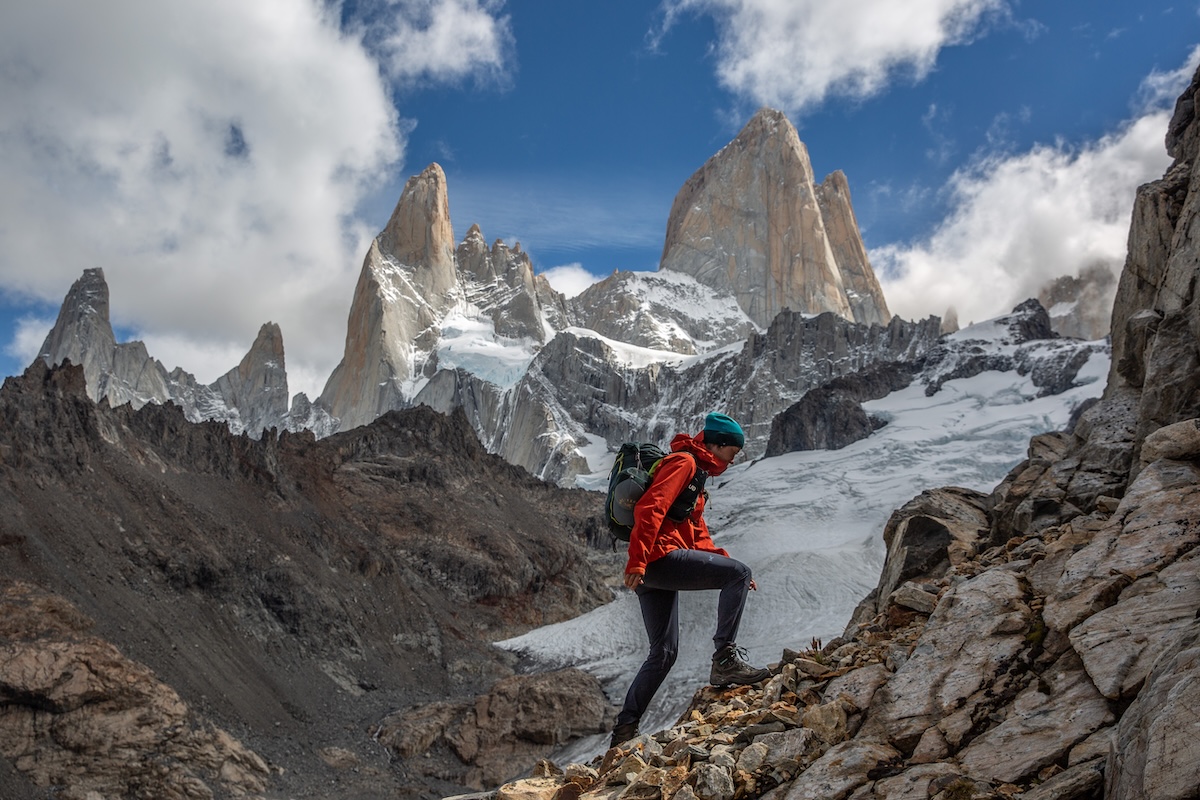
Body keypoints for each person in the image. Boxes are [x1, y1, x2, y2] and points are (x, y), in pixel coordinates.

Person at [610, 412, 769, 749]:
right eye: (734, 450)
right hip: (657, 559)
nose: (736, 457)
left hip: (653, 566)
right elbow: (649, 509)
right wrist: (638, 561)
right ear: (720, 444)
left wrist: (726, 566)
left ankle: (624, 730)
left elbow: (697, 536)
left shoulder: (696, 477)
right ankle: (725, 660)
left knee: (663, 652)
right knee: (738, 574)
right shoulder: (683, 463)